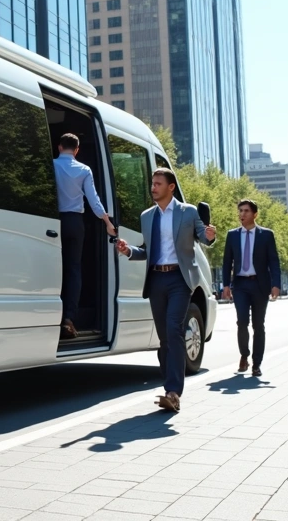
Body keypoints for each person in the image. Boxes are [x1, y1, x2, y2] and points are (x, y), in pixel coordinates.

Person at [114, 168, 216, 412]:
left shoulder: (188, 212)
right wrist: (128, 251)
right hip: (157, 280)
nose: (153, 187)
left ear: (171, 187)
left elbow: (203, 237)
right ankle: (169, 386)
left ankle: (173, 391)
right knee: (164, 338)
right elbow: (147, 250)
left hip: (180, 278)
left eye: (158, 184)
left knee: (174, 328)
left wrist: (210, 236)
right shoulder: (147, 216)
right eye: (152, 183)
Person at [53, 133, 117, 339]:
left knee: (53, 266)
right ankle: (68, 318)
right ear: (77, 150)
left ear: (59, 147)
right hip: (74, 223)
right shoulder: (84, 170)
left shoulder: (51, 165)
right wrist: (107, 222)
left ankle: (50, 314)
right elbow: (93, 199)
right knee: (73, 269)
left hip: (52, 220)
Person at [221, 199, 281, 377]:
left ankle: (257, 363)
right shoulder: (232, 235)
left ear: (255, 214)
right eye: (240, 210)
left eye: (246, 211)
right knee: (241, 322)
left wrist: (276, 284)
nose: (242, 214)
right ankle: (244, 355)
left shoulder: (266, 235)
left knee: (258, 325)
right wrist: (226, 285)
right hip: (240, 285)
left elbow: (273, 261)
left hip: (260, 285)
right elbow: (227, 262)